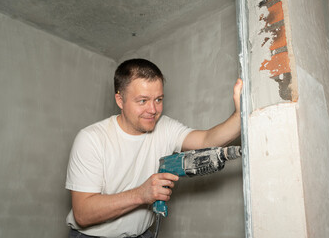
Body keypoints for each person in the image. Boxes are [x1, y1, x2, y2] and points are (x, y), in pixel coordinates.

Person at [65, 58, 242, 238]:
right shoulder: (91, 138)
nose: (153, 110)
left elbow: (206, 140)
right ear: (120, 100)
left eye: (158, 99)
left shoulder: (164, 127)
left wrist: (239, 115)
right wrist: (141, 194)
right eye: (142, 101)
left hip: (141, 234)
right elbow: (82, 214)